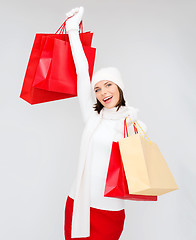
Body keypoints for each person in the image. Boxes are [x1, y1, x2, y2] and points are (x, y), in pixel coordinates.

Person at [64, 6, 148, 240]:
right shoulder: (93, 119)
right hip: (78, 202)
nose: (102, 92)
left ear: (119, 87)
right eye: (98, 89)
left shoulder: (134, 125)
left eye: (108, 85)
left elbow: (136, 172)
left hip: (109, 210)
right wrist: (72, 29)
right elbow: (82, 74)